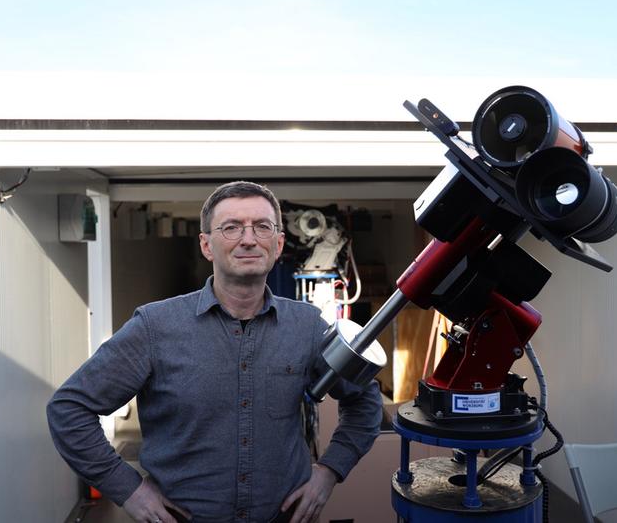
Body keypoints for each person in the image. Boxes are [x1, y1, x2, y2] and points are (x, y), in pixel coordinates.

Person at [47, 181, 382, 523]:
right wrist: (129, 490)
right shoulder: (155, 327)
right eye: (231, 227)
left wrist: (329, 470)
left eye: (262, 227)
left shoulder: (307, 327)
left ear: (279, 243)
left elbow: (364, 399)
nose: (248, 239)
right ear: (206, 245)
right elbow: (69, 410)